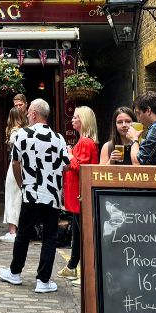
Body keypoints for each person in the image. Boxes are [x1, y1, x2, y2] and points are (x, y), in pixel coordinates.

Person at [0, 99, 69, 293]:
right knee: (50, 237)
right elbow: (67, 164)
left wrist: (22, 184)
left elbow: (15, 163)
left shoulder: (22, 134)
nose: (27, 115)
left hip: (31, 192)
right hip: (52, 193)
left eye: (29, 112)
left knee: (23, 233)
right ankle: (43, 281)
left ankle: (15, 273)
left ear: (35, 114)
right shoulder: (58, 138)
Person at [59, 106, 99, 282]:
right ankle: (72, 266)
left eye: (75, 117)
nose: (72, 120)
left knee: (82, 234)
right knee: (77, 232)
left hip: (79, 193)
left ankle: (84, 273)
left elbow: (78, 166)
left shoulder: (84, 142)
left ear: (83, 120)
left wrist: (68, 153)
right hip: (77, 193)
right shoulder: (85, 141)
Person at [0, 106, 26, 242]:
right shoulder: (26, 131)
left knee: (12, 197)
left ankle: (12, 231)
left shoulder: (16, 132)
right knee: (20, 197)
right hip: (25, 166)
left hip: (16, 165)